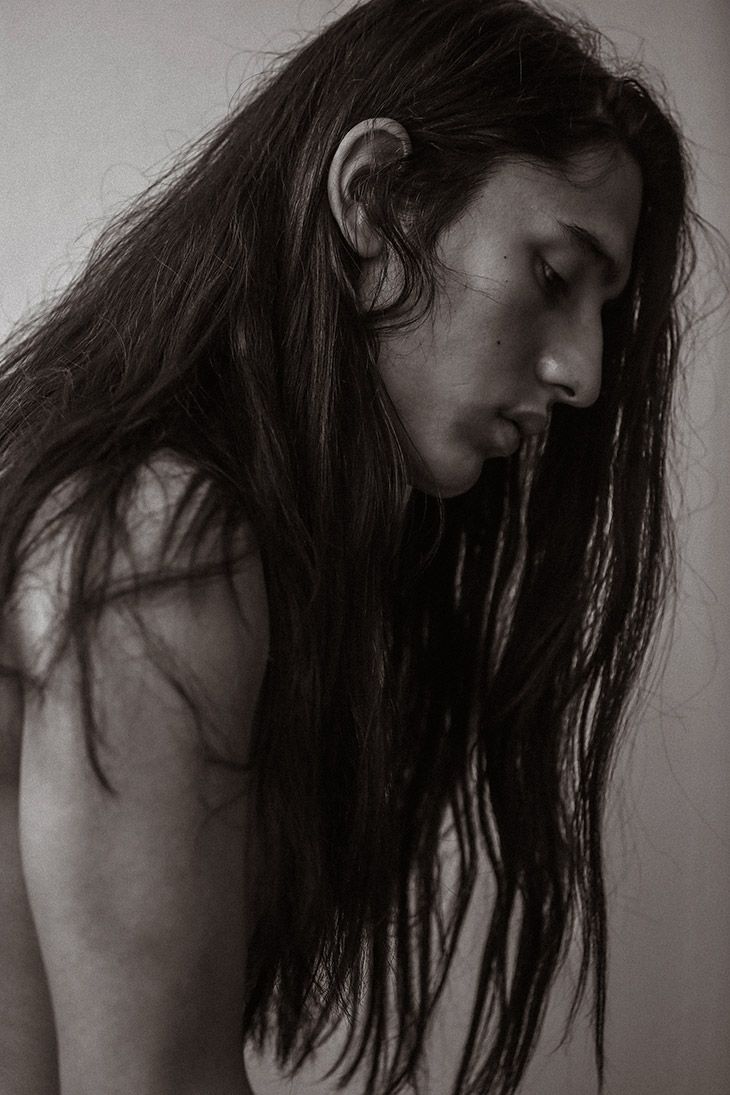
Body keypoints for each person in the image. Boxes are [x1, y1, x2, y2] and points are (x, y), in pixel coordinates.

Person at [0, 0, 698, 1092]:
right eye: (555, 278)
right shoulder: (159, 540)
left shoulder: (205, 529)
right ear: (372, 198)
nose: (584, 373)